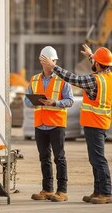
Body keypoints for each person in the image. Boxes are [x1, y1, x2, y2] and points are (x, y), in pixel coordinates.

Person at [39, 44, 112, 204]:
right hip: (100, 123)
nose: (92, 63)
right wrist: (91, 55)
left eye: (94, 61)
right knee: (95, 159)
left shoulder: (94, 81)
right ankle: (98, 191)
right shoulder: (110, 77)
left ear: (98, 64)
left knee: (99, 160)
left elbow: (74, 79)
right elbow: (99, 66)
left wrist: (55, 67)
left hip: (95, 123)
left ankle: (106, 192)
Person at [25, 46, 74, 202]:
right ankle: (47, 189)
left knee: (59, 158)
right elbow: (26, 100)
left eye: (52, 61)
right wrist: (33, 102)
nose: (50, 63)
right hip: (40, 124)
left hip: (56, 124)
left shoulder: (62, 80)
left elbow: (70, 101)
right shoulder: (34, 80)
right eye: (46, 60)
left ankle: (62, 191)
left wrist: (55, 103)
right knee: (44, 157)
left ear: (54, 62)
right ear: (41, 61)